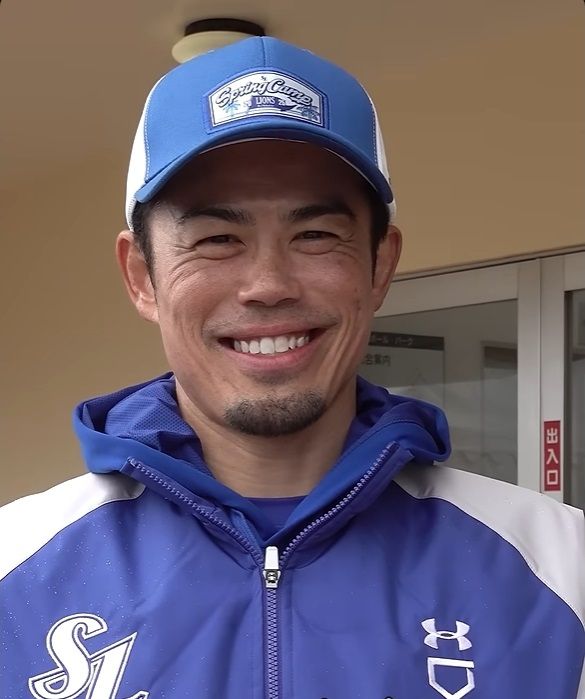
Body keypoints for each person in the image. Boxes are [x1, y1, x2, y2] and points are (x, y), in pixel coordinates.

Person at [1, 36, 584, 699]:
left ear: (379, 267)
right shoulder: (14, 570)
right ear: (141, 276)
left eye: (315, 235)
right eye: (217, 239)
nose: (268, 285)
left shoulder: (562, 573)